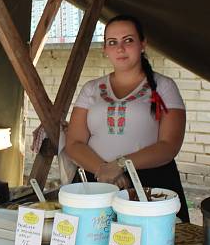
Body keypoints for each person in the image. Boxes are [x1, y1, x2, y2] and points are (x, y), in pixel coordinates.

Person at [65, 15, 190, 222]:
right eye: (112, 43)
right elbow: (74, 142)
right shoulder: (91, 89)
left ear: (143, 45)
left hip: (151, 184)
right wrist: (103, 169)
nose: (120, 48)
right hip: (96, 184)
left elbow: (169, 145)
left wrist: (120, 164)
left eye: (128, 40)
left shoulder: (163, 87)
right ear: (105, 50)